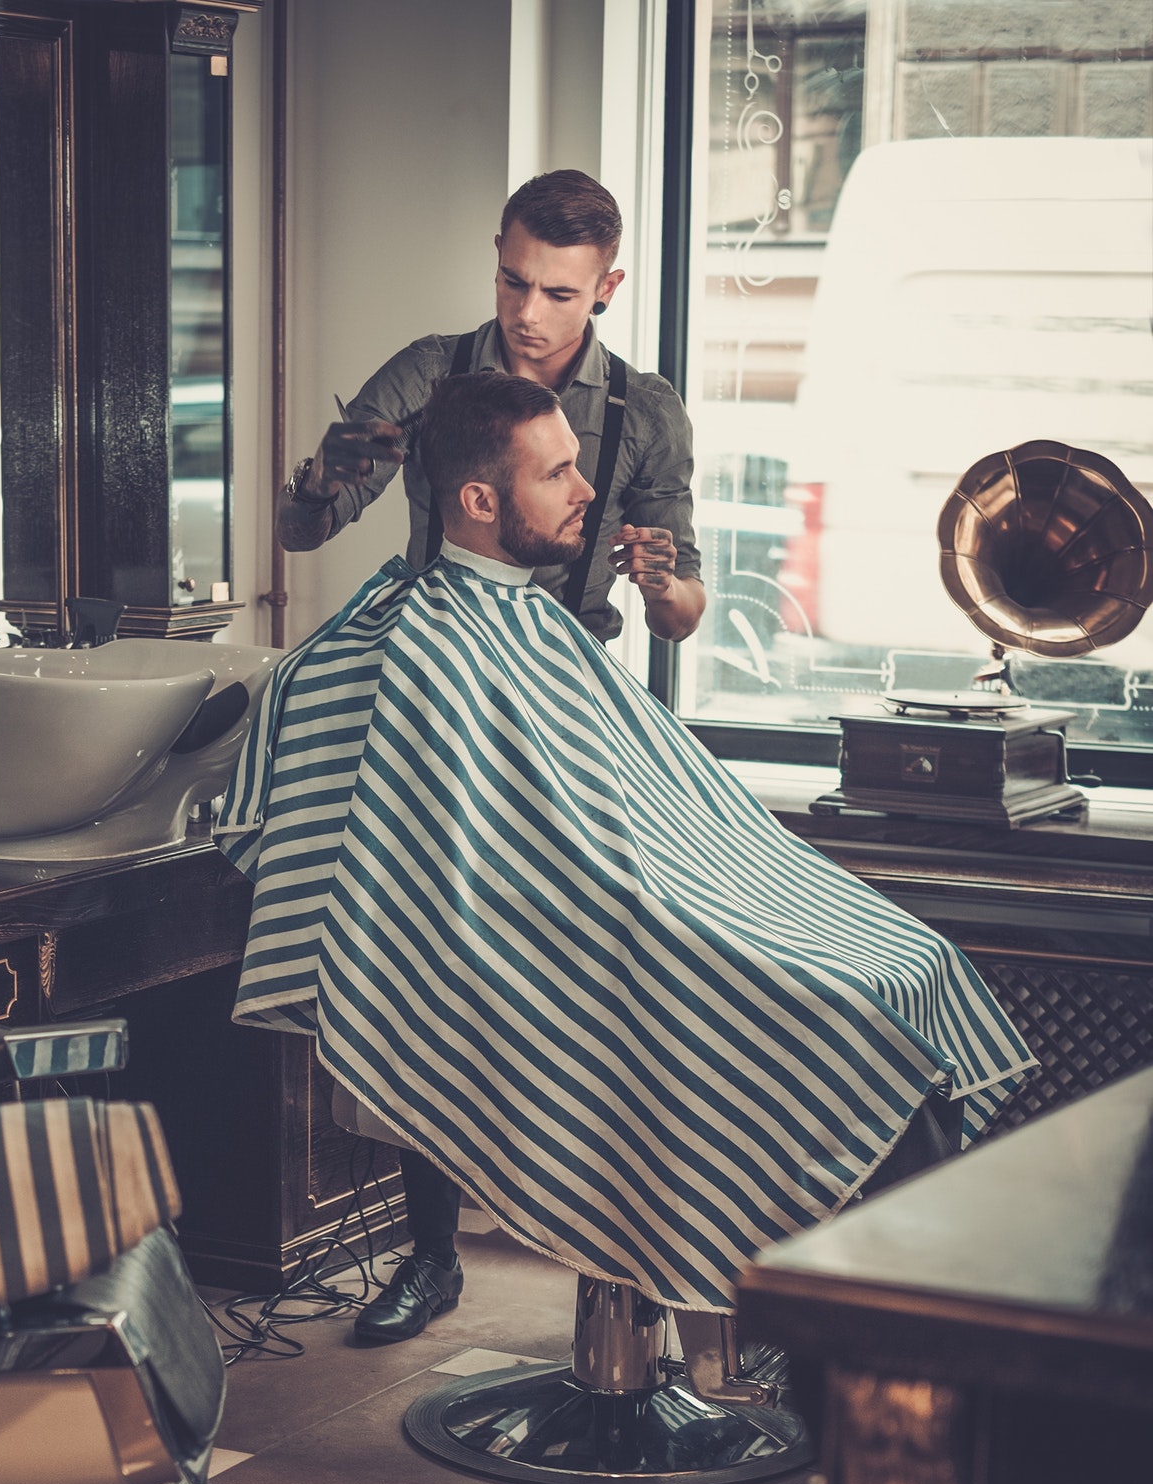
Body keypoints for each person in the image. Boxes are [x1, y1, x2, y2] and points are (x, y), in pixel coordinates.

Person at [216, 372, 1035, 1344]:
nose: (583, 491)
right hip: (567, 947)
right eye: (557, 472)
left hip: (625, 902)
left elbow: (627, 762)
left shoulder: (534, 604)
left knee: (904, 963)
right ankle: (897, 1360)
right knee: (846, 1014)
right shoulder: (419, 646)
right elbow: (450, 859)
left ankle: (909, 1339)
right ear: (478, 500)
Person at [276, 168, 705, 649]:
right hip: (437, 665)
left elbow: (678, 623)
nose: (527, 313)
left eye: (559, 294)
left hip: (568, 679)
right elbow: (299, 536)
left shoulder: (645, 411)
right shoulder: (426, 374)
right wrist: (316, 483)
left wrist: (664, 588)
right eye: (514, 281)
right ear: (499, 254)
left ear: (606, 289)